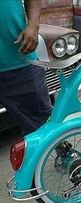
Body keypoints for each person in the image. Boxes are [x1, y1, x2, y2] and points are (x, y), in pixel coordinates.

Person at [0, 0, 52, 136]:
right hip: (17, 59)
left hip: (17, 60)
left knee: (44, 129)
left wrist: (33, 25)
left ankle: (66, 155)